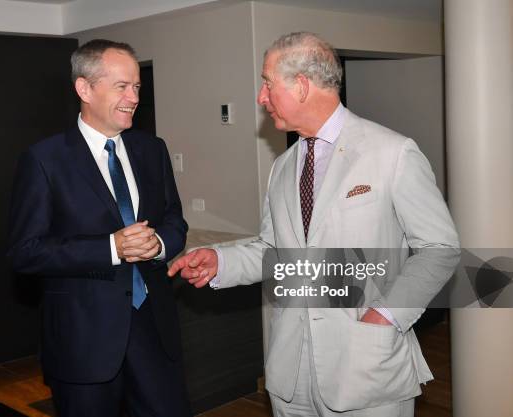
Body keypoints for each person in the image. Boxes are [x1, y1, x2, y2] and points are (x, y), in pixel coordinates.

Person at [168, 32, 459, 417]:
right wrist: (221, 262)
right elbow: (275, 251)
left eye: (267, 83)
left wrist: (385, 316)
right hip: (292, 373)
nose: (260, 97)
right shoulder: (283, 166)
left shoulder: (392, 153)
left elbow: (439, 249)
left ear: (301, 86)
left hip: (364, 365)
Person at [8, 39, 190, 417]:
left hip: (154, 332)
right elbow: (26, 251)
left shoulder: (152, 149)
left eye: (137, 86)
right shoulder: (44, 160)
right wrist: (110, 248)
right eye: (122, 86)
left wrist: (157, 244)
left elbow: (175, 219)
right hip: (83, 343)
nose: (134, 97)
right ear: (84, 88)